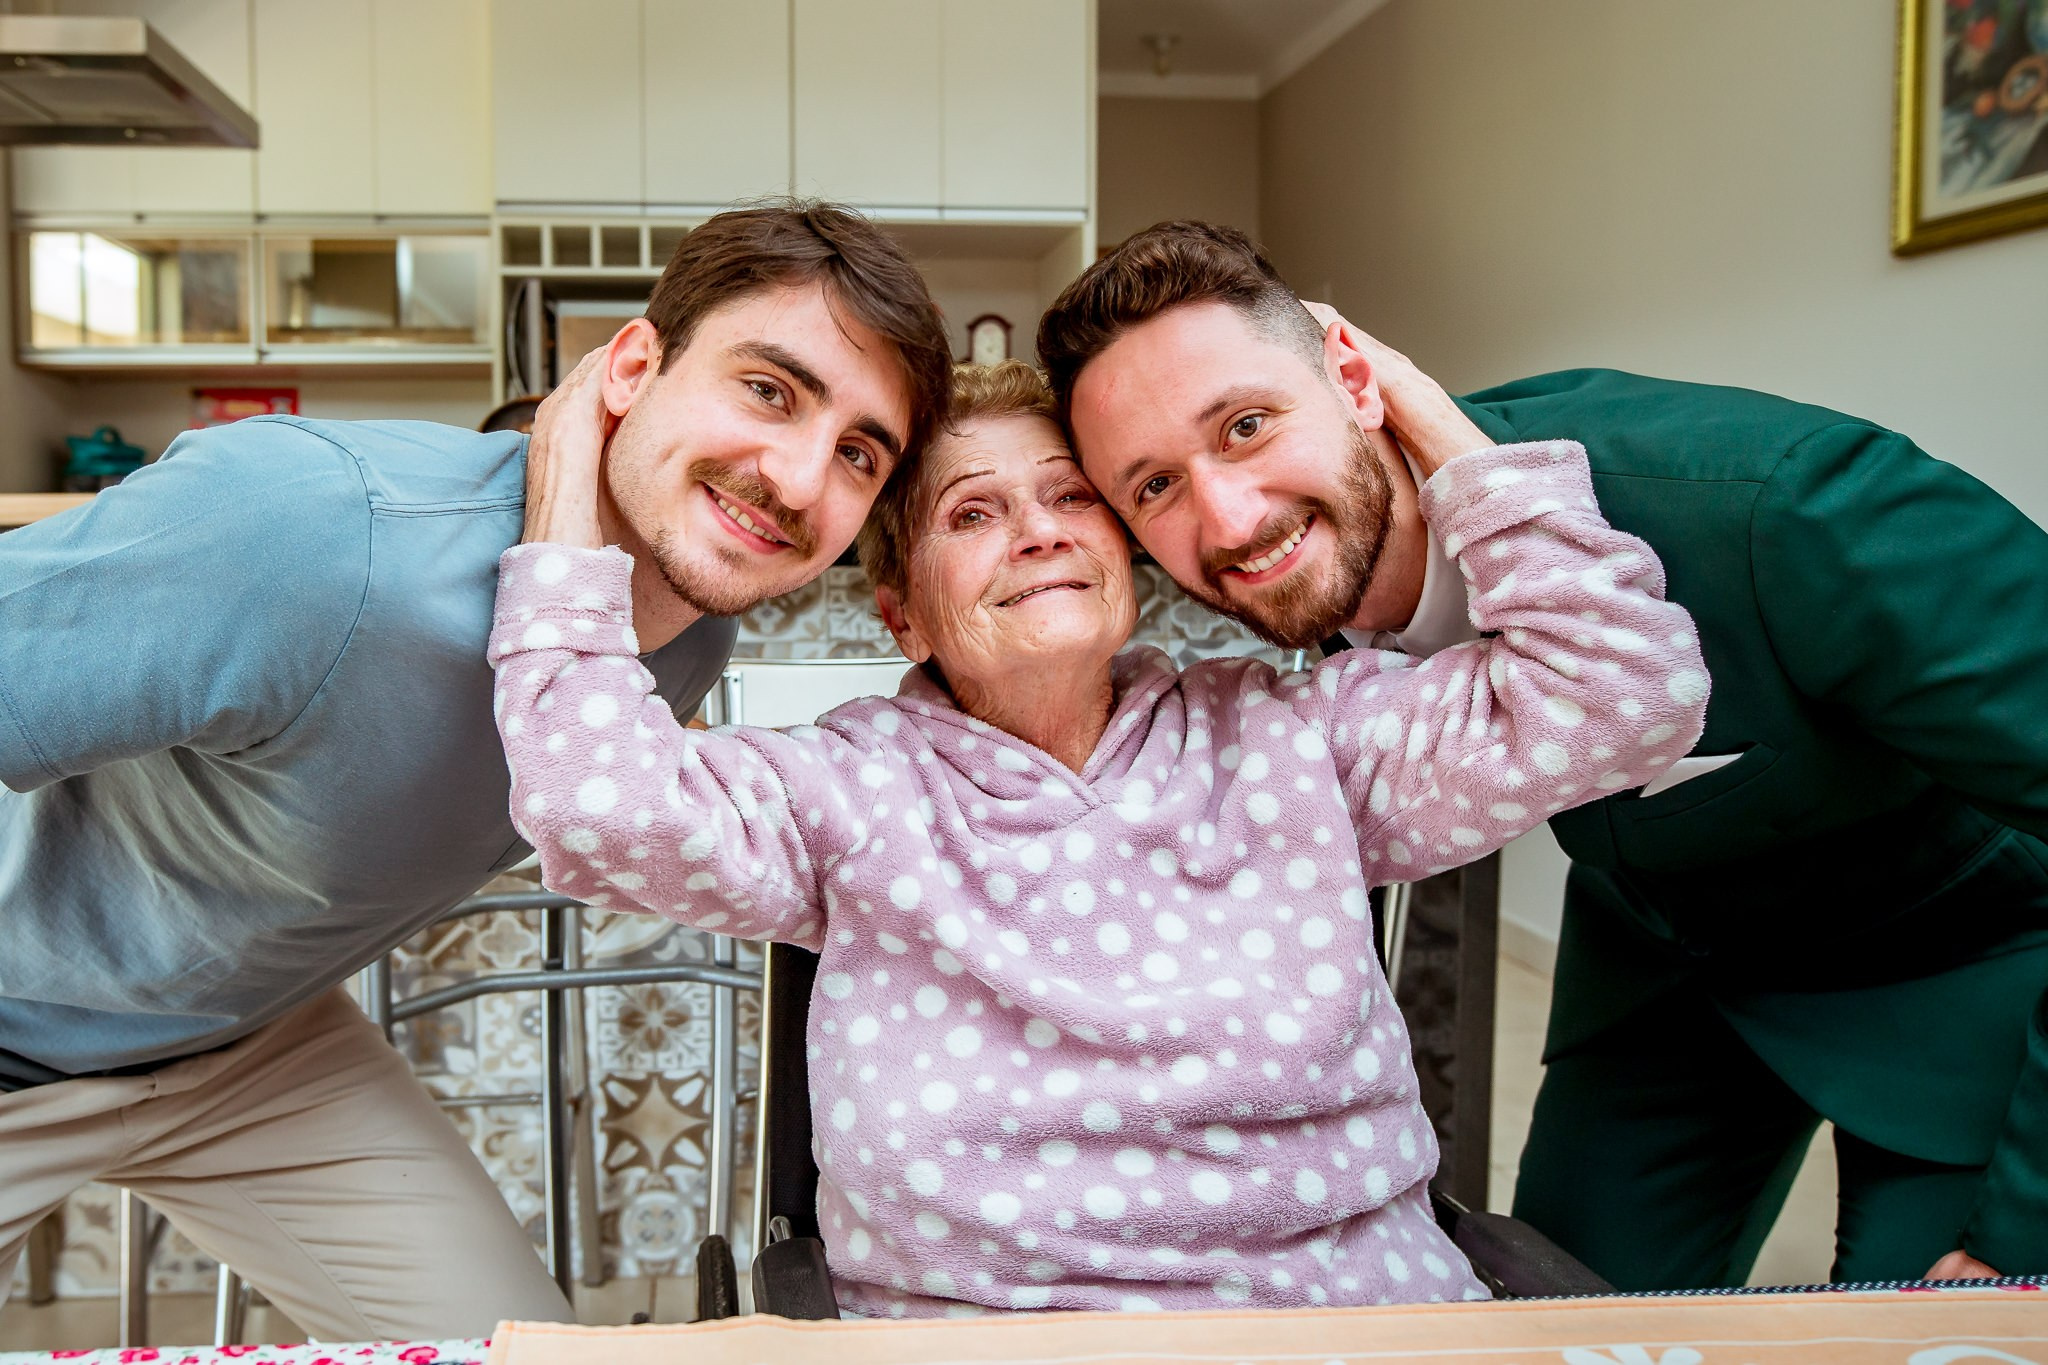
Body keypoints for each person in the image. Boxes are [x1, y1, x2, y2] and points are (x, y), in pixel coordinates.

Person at [489, 357, 1709, 1317]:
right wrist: (566, 472)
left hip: (1352, 1321)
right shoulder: (845, 790)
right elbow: (590, 802)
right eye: (974, 512)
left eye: (1071, 496)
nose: (1038, 530)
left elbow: (1626, 696)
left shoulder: (1295, 736)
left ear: (1122, 547)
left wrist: (1398, 399)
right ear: (902, 613)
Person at [1033, 220, 2048, 1289]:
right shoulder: (1306, 567)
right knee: (1563, 1314)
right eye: (1153, 486)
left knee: (1925, 1332)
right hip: (1664, 954)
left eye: (1246, 426)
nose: (1229, 519)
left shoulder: (1785, 507)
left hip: (1951, 956)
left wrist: (2019, 1235)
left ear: (1354, 379)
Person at [0, 201, 953, 1339]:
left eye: (857, 453)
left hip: (248, 1048)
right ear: (632, 369)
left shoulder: (688, 632)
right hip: (16, 1037)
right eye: (768, 389)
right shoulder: (312, 529)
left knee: (520, 1355)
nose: (797, 482)